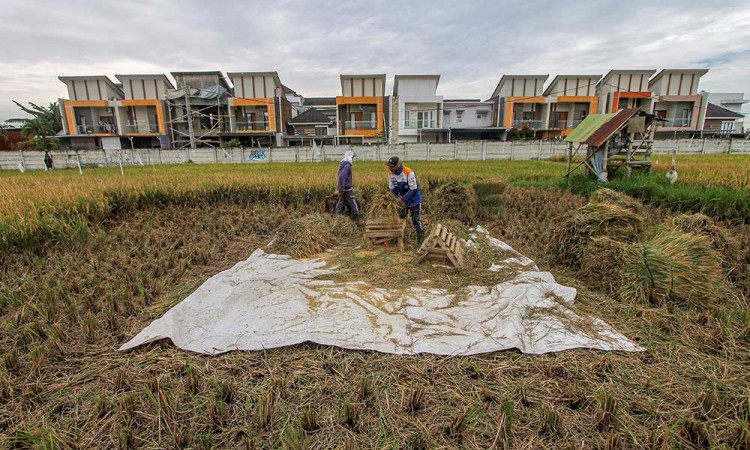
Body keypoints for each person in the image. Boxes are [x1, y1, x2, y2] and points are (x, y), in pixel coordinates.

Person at [385, 156, 425, 244]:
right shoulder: (391, 174)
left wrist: (403, 199)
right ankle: (401, 238)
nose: (390, 168)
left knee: (416, 220)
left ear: (398, 165)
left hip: (414, 199)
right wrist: (396, 197)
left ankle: (421, 240)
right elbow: (392, 187)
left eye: (392, 166)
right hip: (401, 200)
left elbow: (413, 189)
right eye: (389, 166)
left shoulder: (408, 172)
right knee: (401, 219)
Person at [334, 150, 360, 220]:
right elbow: (342, 177)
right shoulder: (347, 165)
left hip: (343, 188)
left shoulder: (343, 164)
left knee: (340, 203)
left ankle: (336, 219)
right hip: (347, 189)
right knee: (354, 204)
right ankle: (356, 219)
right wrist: (341, 189)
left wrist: (340, 189)